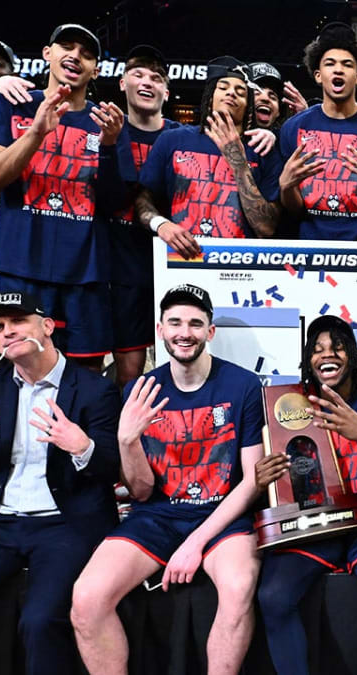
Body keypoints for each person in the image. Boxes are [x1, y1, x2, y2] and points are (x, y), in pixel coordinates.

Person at [70, 284, 264, 675]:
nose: (184, 332)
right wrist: (127, 440)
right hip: (156, 517)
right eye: (175, 322)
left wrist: (195, 542)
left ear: (210, 332)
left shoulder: (242, 385)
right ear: (160, 329)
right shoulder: (140, 389)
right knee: (86, 598)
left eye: (195, 323)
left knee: (239, 587)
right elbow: (140, 490)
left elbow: (253, 481)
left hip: (221, 517)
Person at [0, 291, 121, 675]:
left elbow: (114, 471)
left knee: (40, 622)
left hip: (65, 524)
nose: (7, 333)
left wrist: (83, 447)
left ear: (47, 325)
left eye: (17, 321)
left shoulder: (94, 390)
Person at [254, 315, 357, 675]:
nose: (329, 355)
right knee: (273, 597)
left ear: (351, 353)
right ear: (308, 357)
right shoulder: (290, 402)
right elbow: (281, 480)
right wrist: (265, 479)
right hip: (313, 521)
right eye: (319, 349)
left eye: (338, 346)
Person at [0, 24, 131, 371]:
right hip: (21, 266)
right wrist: (35, 133)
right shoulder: (12, 105)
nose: (75, 56)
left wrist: (108, 148)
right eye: (66, 47)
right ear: (48, 54)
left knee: (85, 374)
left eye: (87, 53)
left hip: (86, 272)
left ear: (97, 70)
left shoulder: (106, 123)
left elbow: (115, 205)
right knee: (18, 369)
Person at [136, 56, 283, 255]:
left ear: (248, 106)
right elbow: (142, 198)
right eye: (223, 87)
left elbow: (266, 228)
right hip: (180, 262)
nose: (231, 93)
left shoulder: (262, 149)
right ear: (210, 95)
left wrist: (238, 161)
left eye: (240, 92)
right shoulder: (172, 140)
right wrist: (160, 223)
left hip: (239, 270)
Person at [278, 23, 357, 241]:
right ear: (318, 75)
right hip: (311, 253)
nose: (338, 69)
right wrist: (286, 187)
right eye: (330, 64)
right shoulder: (293, 128)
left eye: (347, 65)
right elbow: (294, 213)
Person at [108, 45, 181, 390]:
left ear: (167, 91)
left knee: (182, 363)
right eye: (138, 74)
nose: (147, 82)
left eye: (156, 77)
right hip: (121, 263)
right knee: (129, 371)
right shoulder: (106, 130)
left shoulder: (182, 137)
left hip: (175, 259)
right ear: (122, 83)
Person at [250, 62, 286, 131]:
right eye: (257, 93)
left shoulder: (285, 140)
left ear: (278, 112)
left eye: (273, 97)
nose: (265, 99)